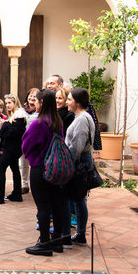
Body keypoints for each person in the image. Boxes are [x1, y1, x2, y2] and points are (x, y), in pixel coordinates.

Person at [22, 89, 64, 256]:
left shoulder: (38, 123)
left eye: (37, 102)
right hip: (55, 168)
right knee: (56, 204)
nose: (34, 104)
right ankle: (57, 240)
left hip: (40, 168)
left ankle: (44, 243)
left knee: (43, 206)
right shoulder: (57, 121)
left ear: (42, 103)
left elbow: (26, 146)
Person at [65, 88, 96, 246]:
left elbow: (77, 146)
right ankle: (80, 233)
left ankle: (80, 233)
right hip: (81, 160)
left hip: (80, 162)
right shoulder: (81, 117)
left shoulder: (83, 119)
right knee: (78, 199)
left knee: (79, 199)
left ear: (77, 102)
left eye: (69, 99)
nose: (67, 102)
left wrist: (68, 162)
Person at [0, 94, 26, 204]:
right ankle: (17, 194)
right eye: (6, 103)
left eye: (9, 103)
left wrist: (6, 124)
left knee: (1, 168)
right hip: (13, 148)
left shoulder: (19, 114)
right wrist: (7, 124)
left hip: (12, 148)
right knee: (15, 169)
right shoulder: (15, 114)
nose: (7, 105)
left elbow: (13, 132)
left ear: (15, 102)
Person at [55, 87, 76, 249]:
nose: (58, 100)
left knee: (64, 200)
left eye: (61, 98)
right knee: (60, 199)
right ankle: (62, 232)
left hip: (64, 159)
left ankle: (65, 236)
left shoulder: (68, 116)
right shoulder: (56, 115)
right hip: (59, 159)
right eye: (56, 98)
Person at [20, 88, 40, 194]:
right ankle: (25, 184)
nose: (32, 98)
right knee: (24, 163)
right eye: (30, 95)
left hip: (36, 141)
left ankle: (35, 184)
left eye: (34, 96)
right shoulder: (21, 109)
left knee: (35, 164)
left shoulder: (40, 111)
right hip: (24, 141)